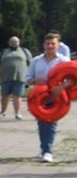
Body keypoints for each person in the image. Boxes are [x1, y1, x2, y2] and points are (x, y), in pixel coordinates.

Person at [26, 33, 67, 163]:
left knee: (51, 123)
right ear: (43, 44)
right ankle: (43, 148)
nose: (50, 46)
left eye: (53, 44)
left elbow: (73, 78)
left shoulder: (64, 61)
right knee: (41, 123)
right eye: (47, 43)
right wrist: (34, 80)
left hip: (57, 97)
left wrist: (62, 87)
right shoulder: (36, 60)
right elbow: (27, 78)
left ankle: (47, 151)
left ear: (58, 45)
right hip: (39, 97)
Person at [0, 36, 33, 119]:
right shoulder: (3, 52)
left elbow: (31, 64)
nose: (14, 43)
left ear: (19, 42)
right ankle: (3, 112)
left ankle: (17, 113)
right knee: (5, 96)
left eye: (16, 41)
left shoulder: (25, 51)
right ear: (9, 43)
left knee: (17, 96)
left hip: (20, 77)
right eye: (12, 42)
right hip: (5, 77)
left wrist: (31, 77)